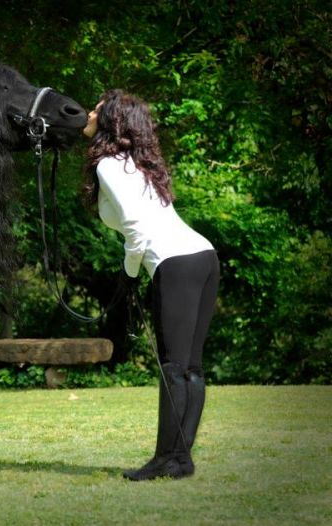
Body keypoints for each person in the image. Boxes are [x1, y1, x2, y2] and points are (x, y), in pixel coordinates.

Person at [82, 89, 220, 480]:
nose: (89, 112)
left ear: (109, 120)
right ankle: (180, 459)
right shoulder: (139, 162)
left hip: (175, 264)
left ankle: (166, 459)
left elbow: (136, 228)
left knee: (174, 367)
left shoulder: (109, 163)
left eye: (96, 108)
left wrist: (127, 276)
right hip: (204, 257)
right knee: (190, 367)